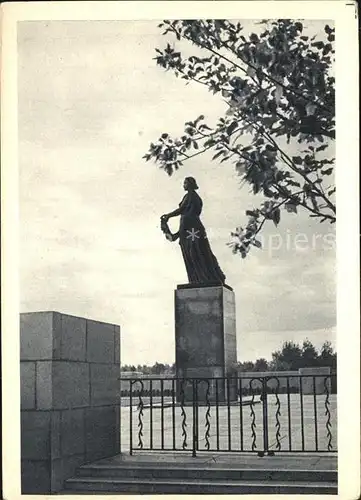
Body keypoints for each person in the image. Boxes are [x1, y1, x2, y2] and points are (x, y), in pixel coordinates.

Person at [161, 177, 226, 285]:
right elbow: (184, 214)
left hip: (193, 230)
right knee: (195, 254)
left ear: (191, 184)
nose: (183, 185)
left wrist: (169, 216)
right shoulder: (190, 197)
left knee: (195, 253)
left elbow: (182, 210)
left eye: (185, 183)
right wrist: (177, 234)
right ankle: (198, 280)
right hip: (189, 230)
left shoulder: (191, 196)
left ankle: (204, 279)